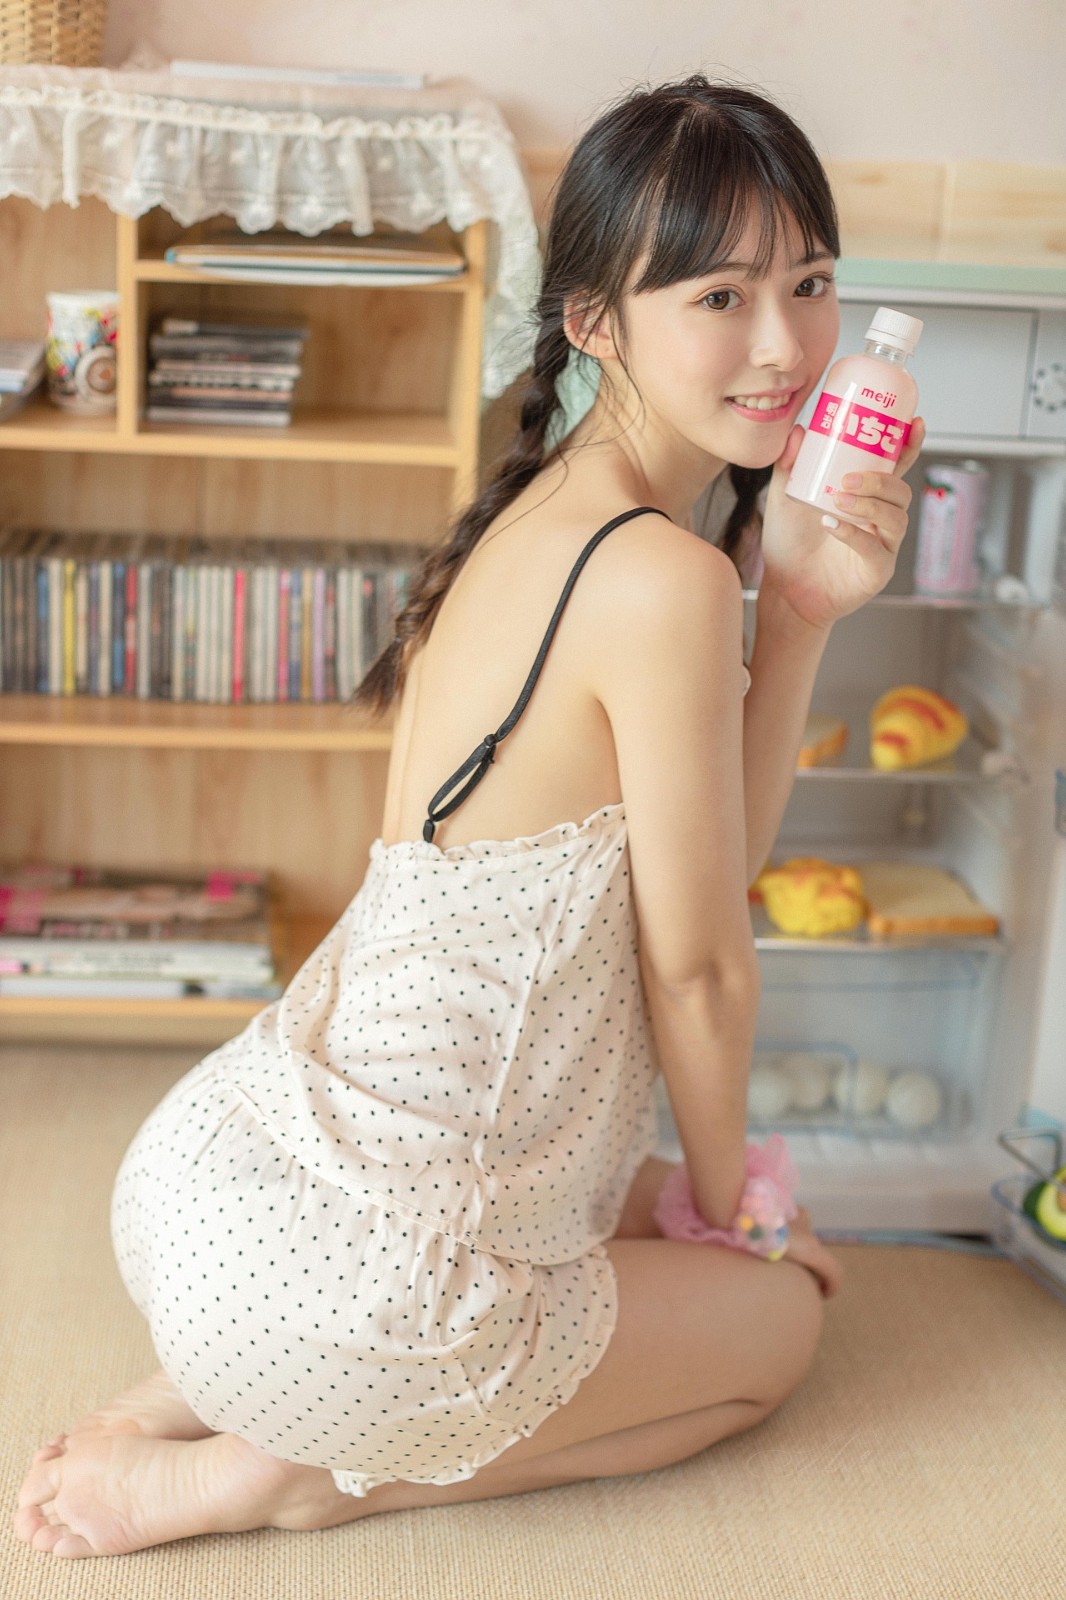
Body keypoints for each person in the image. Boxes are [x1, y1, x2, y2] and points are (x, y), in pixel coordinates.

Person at [14, 72, 924, 1559]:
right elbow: (700, 969)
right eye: (720, 296)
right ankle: (275, 1476)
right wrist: (734, 1213)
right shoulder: (666, 577)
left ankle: (221, 1401)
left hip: (220, 1178)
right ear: (594, 320)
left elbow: (707, 869)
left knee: (627, 1211)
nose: (784, 344)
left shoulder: (543, 509)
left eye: (810, 284)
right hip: (359, 1275)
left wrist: (803, 609)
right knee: (773, 1332)